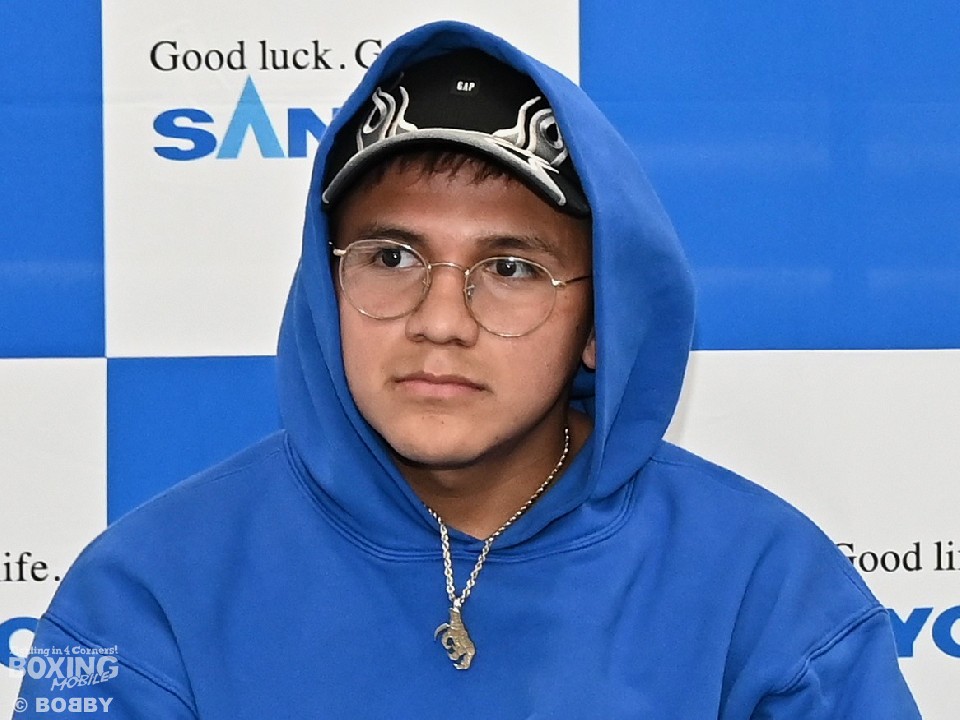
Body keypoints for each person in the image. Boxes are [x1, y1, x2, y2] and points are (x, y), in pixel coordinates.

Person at [15, 21, 920, 719]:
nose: (441, 321)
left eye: (512, 269)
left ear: (603, 321)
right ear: (325, 288)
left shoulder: (763, 587)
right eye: (391, 258)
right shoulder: (146, 592)